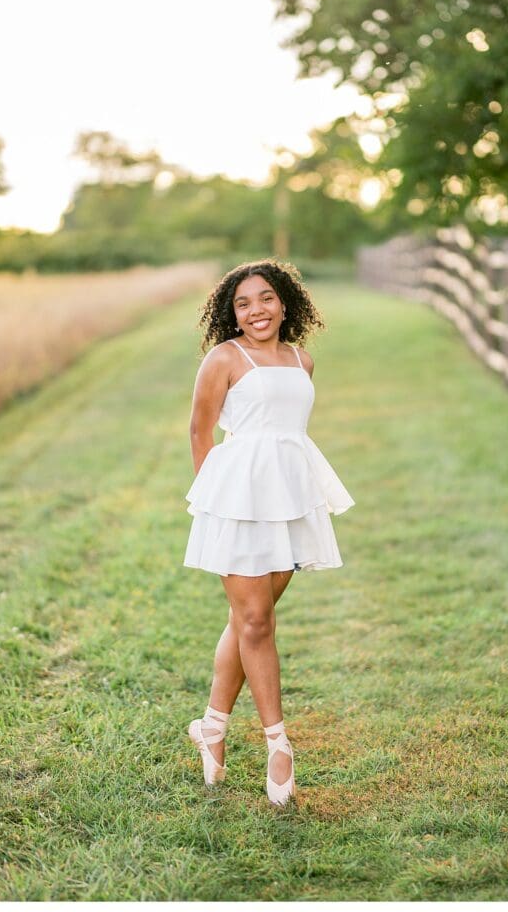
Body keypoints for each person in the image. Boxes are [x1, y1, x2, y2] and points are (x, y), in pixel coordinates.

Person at [183, 258, 355, 805]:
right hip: (238, 499)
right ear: (230, 313)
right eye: (242, 303)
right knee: (256, 619)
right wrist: (216, 502)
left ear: (284, 302)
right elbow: (200, 431)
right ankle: (278, 744)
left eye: (264, 299)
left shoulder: (302, 361)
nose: (255, 310)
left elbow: (290, 434)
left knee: (249, 617)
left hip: (289, 498)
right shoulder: (224, 358)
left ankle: (211, 726)